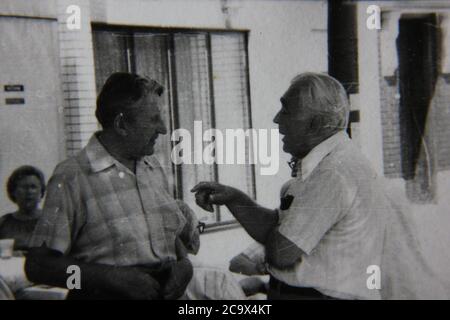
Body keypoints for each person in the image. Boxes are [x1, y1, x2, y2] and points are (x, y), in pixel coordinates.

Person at [192, 72, 390, 300]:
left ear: (315, 123)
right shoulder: (327, 164)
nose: (277, 119)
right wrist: (234, 199)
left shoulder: (332, 172)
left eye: (287, 110)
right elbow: (282, 229)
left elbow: (282, 252)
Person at [25, 72, 199, 299]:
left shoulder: (152, 167)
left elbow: (166, 235)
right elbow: (37, 268)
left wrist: (184, 264)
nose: (164, 129)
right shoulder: (72, 176)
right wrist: (106, 278)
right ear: (121, 124)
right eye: (154, 119)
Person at [0, 166, 46, 251]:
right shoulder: (3, 224)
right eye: (24, 187)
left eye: (33, 187)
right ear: (13, 192)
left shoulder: (54, 223)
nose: (29, 192)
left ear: (41, 191)